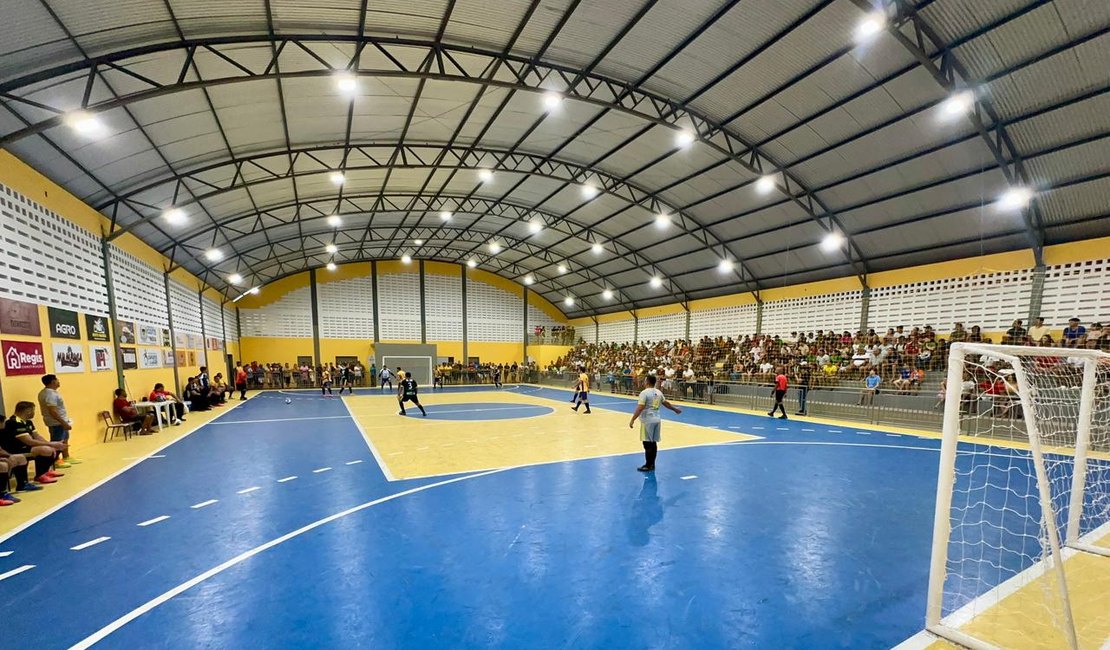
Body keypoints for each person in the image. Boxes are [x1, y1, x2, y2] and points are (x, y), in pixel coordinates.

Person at [2, 401, 66, 486]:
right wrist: (51, 445)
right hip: (17, 448)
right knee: (45, 450)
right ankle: (40, 475)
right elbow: (29, 441)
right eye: (33, 410)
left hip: (26, 446)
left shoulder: (28, 422)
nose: (34, 413)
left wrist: (51, 443)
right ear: (28, 411)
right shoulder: (14, 422)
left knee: (51, 448)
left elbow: (37, 436)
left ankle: (46, 472)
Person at [628, 375, 682, 472]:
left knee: (647, 443)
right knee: (653, 443)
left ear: (647, 382)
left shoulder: (644, 393)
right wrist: (675, 409)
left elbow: (640, 407)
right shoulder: (658, 392)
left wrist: (633, 419)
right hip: (657, 419)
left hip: (647, 420)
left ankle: (648, 465)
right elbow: (666, 403)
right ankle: (652, 464)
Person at [37, 374, 80, 466]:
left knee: (64, 439)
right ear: (53, 381)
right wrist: (63, 423)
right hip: (56, 422)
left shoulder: (50, 392)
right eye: (57, 380)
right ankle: (55, 460)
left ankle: (66, 456)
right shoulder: (50, 394)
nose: (58, 382)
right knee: (57, 441)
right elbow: (53, 411)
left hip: (60, 421)